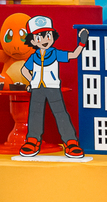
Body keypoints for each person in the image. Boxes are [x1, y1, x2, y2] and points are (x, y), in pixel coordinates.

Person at [19, 15, 86, 158]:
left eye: (48, 35)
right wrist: (32, 81)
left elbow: (73, 55)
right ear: (32, 40)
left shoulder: (55, 53)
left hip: (53, 87)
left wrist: (82, 43)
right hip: (37, 89)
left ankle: (71, 142)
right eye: (39, 37)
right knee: (35, 114)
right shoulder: (34, 57)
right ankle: (32, 140)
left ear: (53, 37)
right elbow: (24, 70)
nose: (44, 40)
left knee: (61, 113)